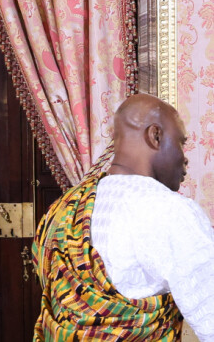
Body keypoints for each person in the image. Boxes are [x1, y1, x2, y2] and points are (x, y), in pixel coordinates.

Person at [32, 92, 214, 341]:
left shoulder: (62, 209)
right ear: (155, 136)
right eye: (181, 143)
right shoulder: (170, 211)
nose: (185, 159)